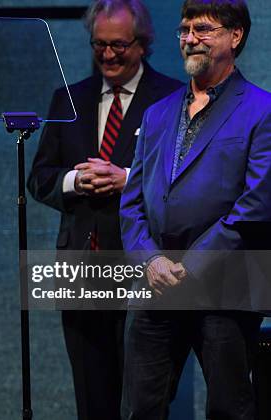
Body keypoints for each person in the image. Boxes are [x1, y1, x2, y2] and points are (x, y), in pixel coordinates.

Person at [27, 1, 182, 418]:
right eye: (100, 45)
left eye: (119, 45)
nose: (109, 55)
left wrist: (126, 178)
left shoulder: (171, 98)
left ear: (143, 44)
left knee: (144, 398)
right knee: (92, 397)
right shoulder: (68, 99)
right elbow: (39, 178)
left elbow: (184, 177)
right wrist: (77, 181)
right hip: (82, 268)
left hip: (143, 265)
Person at [120, 0, 271, 418]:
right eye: (185, 30)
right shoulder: (157, 114)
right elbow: (132, 202)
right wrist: (150, 259)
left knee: (228, 409)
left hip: (224, 285)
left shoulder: (262, 111)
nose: (190, 40)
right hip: (157, 284)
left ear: (235, 36)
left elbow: (256, 204)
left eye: (203, 30)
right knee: (140, 408)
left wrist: (191, 264)